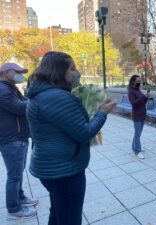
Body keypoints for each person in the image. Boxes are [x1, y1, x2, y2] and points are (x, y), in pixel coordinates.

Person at [26, 51, 116, 225]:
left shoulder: (41, 94)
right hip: (65, 171)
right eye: (72, 68)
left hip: (52, 168)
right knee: (70, 219)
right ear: (59, 71)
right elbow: (84, 133)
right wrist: (102, 113)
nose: (77, 73)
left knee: (58, 214)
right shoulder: (57, 97)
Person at [0, 63, 38, 220]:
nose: (21, 75)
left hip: (18, 137)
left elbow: (23, 101)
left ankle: (20, 197)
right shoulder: (2, 90)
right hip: (11, 139)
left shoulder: (9, 87)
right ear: (7, 72)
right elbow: (19, 107)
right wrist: (37, 99)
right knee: (14, 175)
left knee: (18, 172)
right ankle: (14, 209)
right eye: (18, 72)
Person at [128, 75, 149, 159]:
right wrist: (143, 97)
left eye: (140, 80)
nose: (139, 82)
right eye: (137, 80)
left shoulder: (138, 90)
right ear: (133, 81)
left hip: (142, 113)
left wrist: (146, 97)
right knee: (137, 133)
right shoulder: (131, 91)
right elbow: (134, 104)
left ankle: (134, 147)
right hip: (136, 115)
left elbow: (142, 102)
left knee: (138, 133)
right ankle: (137, 151)